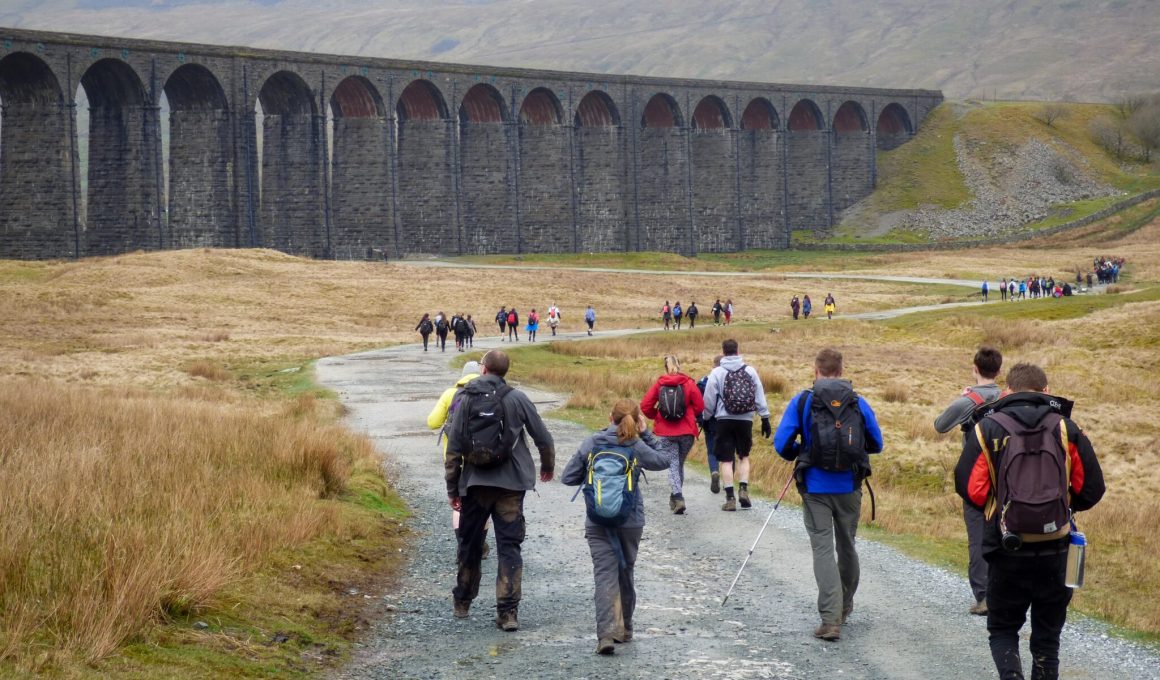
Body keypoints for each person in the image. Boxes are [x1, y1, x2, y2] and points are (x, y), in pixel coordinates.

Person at [954, 363, 1105, 680]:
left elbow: (970, 488)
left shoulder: (988, 428)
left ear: (1007, 390)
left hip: (1007, 548)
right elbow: (1091, 489)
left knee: (1003, 629)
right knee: (1047, 641)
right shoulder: (1066, 428)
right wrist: (1061, 507)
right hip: (1057, 549)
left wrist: (1000, 510)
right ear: (1046, 391)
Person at [773, 348, 883, 641]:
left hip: (815, 487)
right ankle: (845, 606)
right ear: (842, 369)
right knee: (847, 545)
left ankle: (830, 620)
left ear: (816, 369)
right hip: (850, 485)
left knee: (823, 549)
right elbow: (877, 443)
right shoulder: (858, 402)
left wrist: (803, 453)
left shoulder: (804, 400)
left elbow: (781, 443)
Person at [445, 350, 556, 631]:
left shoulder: (464, 398)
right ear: (505, 371)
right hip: (511, 486)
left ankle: (463, 601)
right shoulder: (517, 398)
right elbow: (543, 437)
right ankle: (507, 613)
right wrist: (547, 467)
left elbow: (454, 448)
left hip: (474, 485)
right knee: (509, 546)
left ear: (484, 370)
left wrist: (453, 489)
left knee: (469, 544)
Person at [560, 399, 669, 655]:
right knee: (625, 571)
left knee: (604, 574)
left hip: (597, 521)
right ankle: (626, 629)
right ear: (637, 420)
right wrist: (646, 434)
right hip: (630, 520)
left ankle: (606, 634)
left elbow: (567, 477)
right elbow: (665, 459)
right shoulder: (637, 445)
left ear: (610, 417)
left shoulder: (593, 442)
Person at [933, 346, 1003, 616]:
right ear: (998, 370)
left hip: (977, 478)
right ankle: (1006, 594)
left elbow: (940, 425)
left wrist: (962, 399)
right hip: (1009, 476)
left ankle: (985, 597)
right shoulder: (1008, 398)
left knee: (978, 536)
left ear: (975, 369)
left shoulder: (969, 400)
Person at [428, 361, 489, 559]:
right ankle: (480, 545)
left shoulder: (450, 393)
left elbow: (432, 422)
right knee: (483, 500)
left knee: (460, 503)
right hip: (482, 457)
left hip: (455, 457)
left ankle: (462, 546)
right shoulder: (489, 393)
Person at [700, 339, 771, 511]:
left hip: (724, 419)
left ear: (723, 352)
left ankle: (730, 497)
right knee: (744, 456)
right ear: (738, 351)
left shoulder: (717, 372)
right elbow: (759, 393)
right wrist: (764, 417)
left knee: (725, 459)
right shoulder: (750, 370)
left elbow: (709, 399)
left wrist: (706, 417)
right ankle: (744, 489)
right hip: (745, 419)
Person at [640, 355, 705, 514]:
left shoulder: (660, 383)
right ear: (679, 365)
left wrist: (657, 416)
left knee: (673, 464)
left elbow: (645, 405)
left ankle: (677, 496)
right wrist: (690, 415)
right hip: (687, 432)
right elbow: (700, 406)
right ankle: (676, 497)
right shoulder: (688, 383)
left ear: (665, 367)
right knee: (678, 464)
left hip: (666, 431)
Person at [697, 355, 723, 493]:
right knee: (729, 452)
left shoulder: (705, 380)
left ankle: (714, 471)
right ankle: (728, 483)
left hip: (710, 421)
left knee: (712, 451)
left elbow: (699, 401)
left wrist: (702, 419)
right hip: (727, 420)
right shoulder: (730, 378)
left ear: (713, 365)